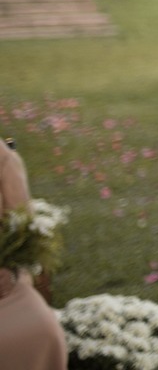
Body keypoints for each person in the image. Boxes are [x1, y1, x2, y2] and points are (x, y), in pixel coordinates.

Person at [0, 140, 69, 369]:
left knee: (41, 329)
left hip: (4, 289)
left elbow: (22, 233)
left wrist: (10, 272)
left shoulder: (3, 159)